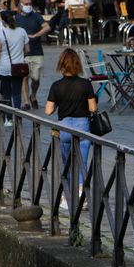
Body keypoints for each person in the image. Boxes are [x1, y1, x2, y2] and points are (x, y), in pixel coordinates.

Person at [46, 48, 98, 187]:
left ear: (61, 65)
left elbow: (48, 111)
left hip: (65, 128)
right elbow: (93, 108)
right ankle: (81, 190)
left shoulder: (56, 86)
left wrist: (59, 102)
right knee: (82, 163)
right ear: (77, 65)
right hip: (83, 127)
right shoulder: (85, 84)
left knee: (67, 164)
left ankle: (68, 192)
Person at [11, 0, 51, 109]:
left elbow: (47, 27)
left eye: (30, 3)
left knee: (36, 79)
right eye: (26, 4)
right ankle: (26, 102)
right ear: (20, 5)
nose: (29, 6)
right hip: (22, 53)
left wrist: (35, 35)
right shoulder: (16, 18)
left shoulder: (36, 16)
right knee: (24, 77)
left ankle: (33, 95)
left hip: (37, 51)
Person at [0, 9, 30, 113]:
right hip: (18, 66)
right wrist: (20, 55)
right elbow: (27, 50)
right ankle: (17, 114)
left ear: (3, 21)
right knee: (17, 92)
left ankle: (9, 117)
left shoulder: (0, 34)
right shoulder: (22, 31)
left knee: (6, 93)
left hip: (4, 68)